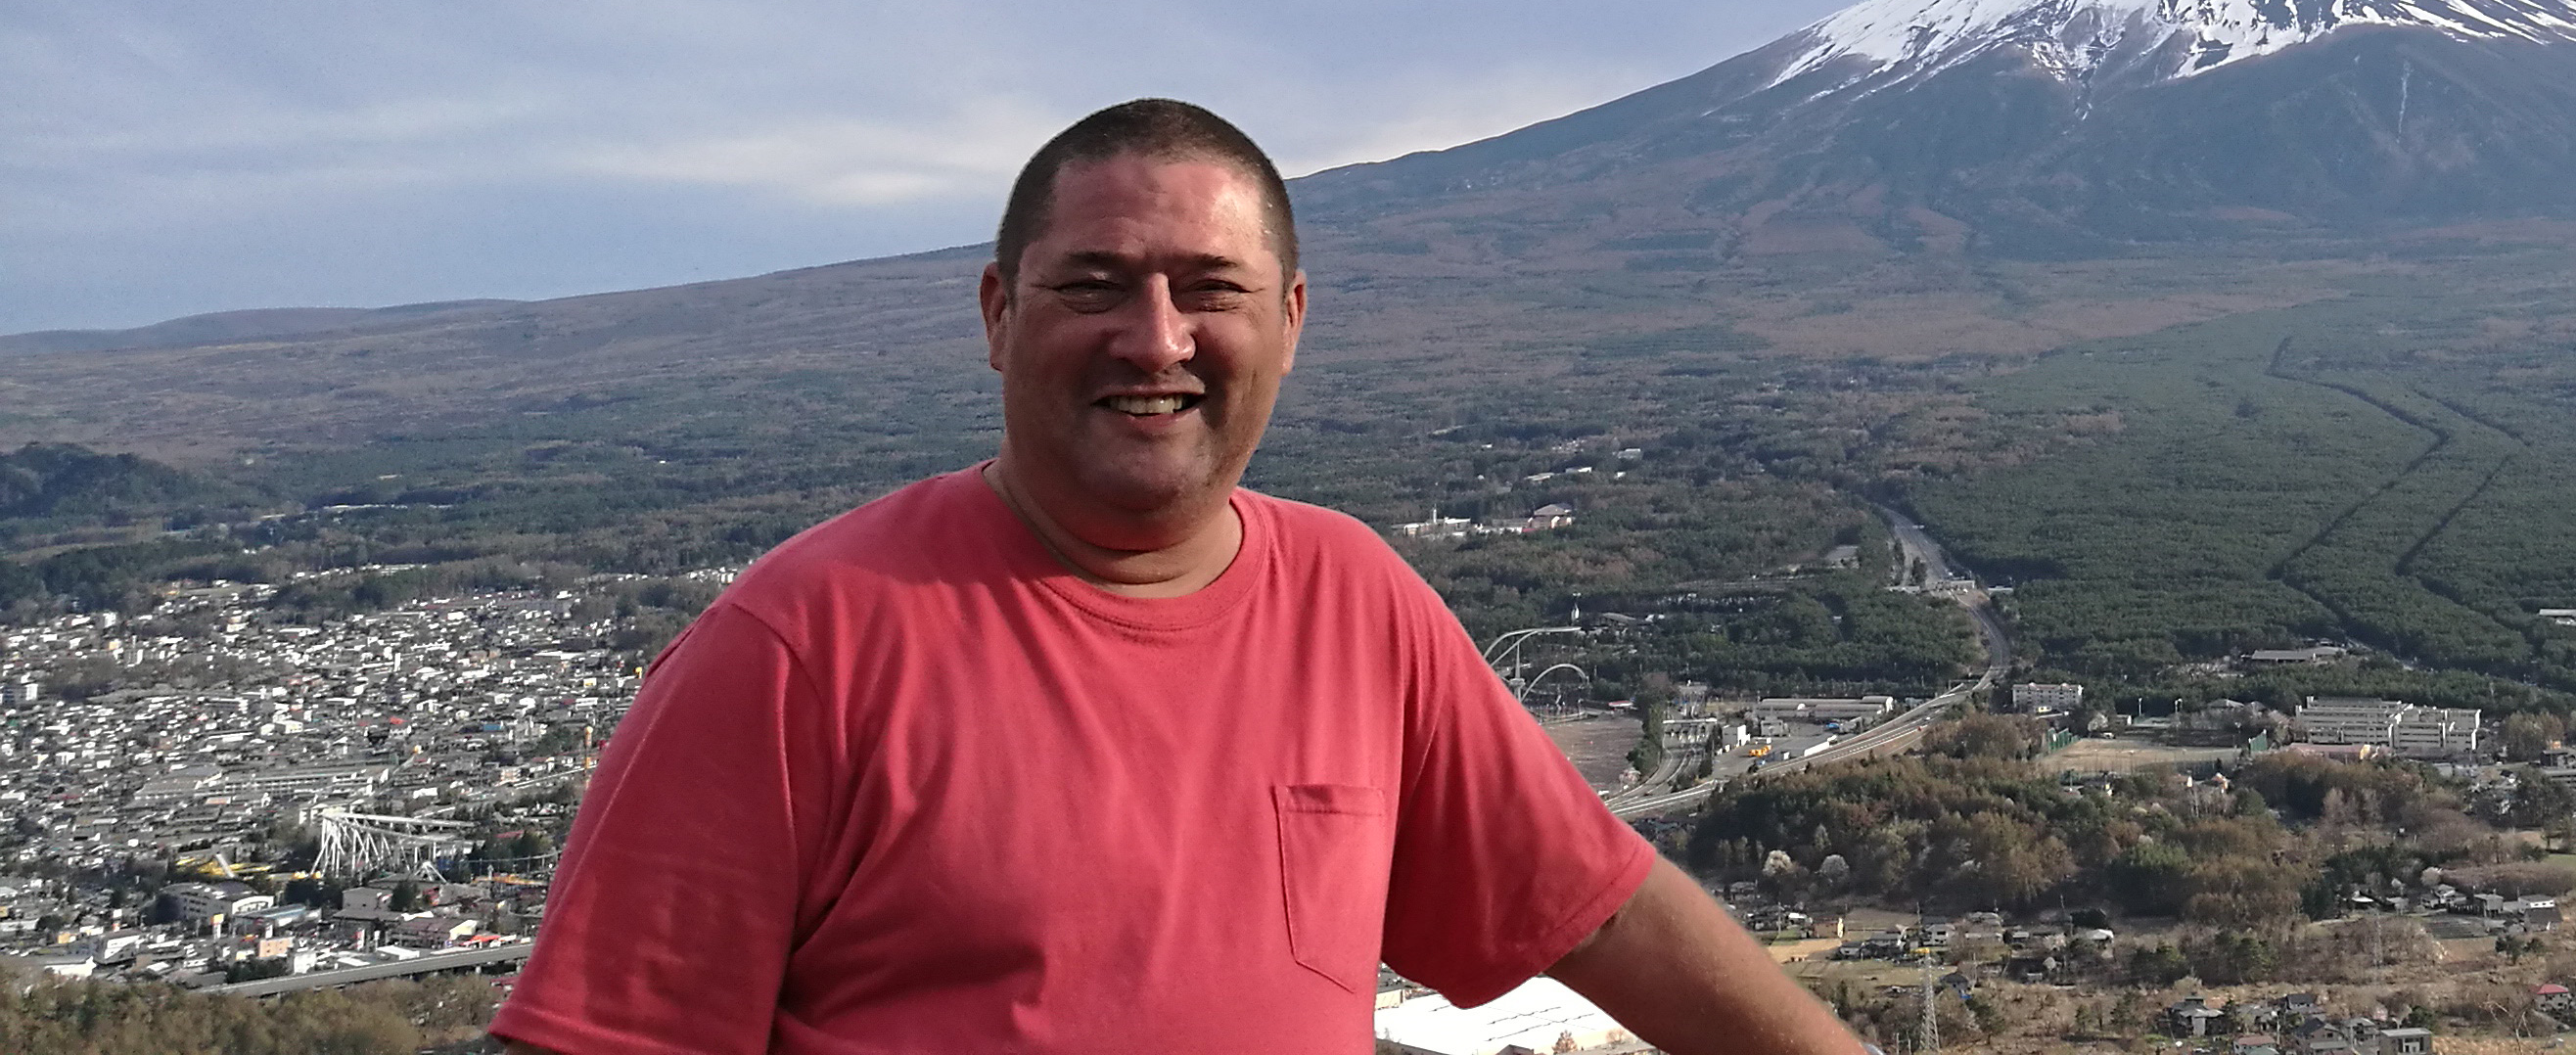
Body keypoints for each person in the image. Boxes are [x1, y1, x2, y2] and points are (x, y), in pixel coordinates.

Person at [490, 98, 1864, 1055]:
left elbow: (1599, 909)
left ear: (1290, 323)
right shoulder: (801, 645)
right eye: (1094, 284)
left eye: (1209, 287)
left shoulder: (1355, 601)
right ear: (995, 316)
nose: (1157, 341)